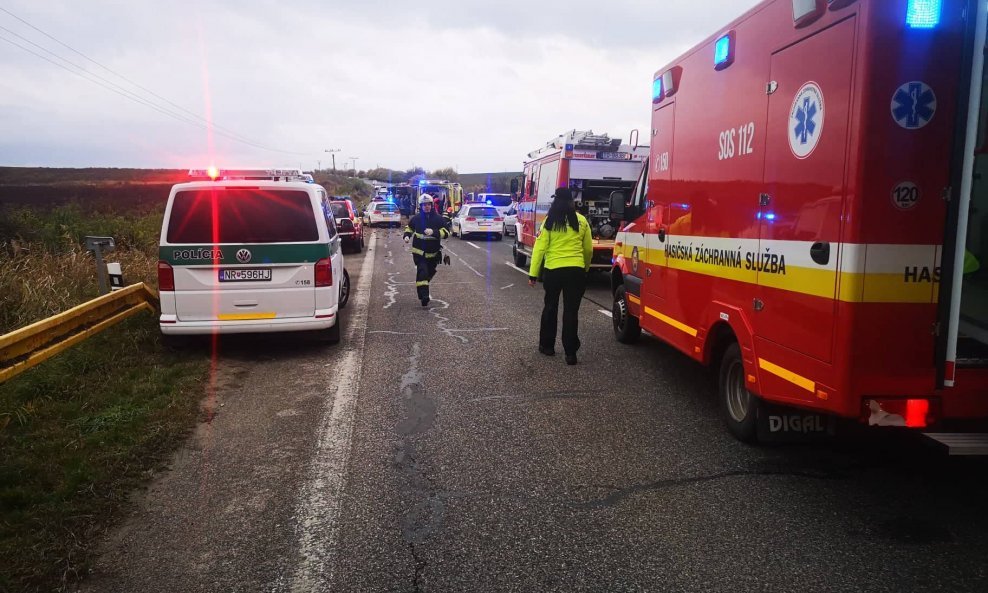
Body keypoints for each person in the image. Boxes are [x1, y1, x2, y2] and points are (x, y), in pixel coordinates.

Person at [528, 187, 592, 365]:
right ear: (572, 202)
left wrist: (533, 274)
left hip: (553, 270)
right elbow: (588, 249)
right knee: (571, 312)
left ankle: (547, 346)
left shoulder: (549, 221)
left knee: (550, 307)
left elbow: (539, 249)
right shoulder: (581, 221)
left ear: (555, 201)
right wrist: (584, 268)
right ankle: (570, 352)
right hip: (576, 271)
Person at [404, 193, 451, 306]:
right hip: (419, 253)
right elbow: (409, 227)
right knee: (423, 272)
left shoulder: (438, 219)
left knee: (428, 273)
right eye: (424, 205)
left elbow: (446, 232)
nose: (426, 206)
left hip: (433, 254)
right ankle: (424, 297)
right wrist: (406, 235)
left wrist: (434, 232)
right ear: (421, 206)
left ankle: (422, 288)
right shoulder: (417, 218)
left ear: (431, 205)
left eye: (428, 204)